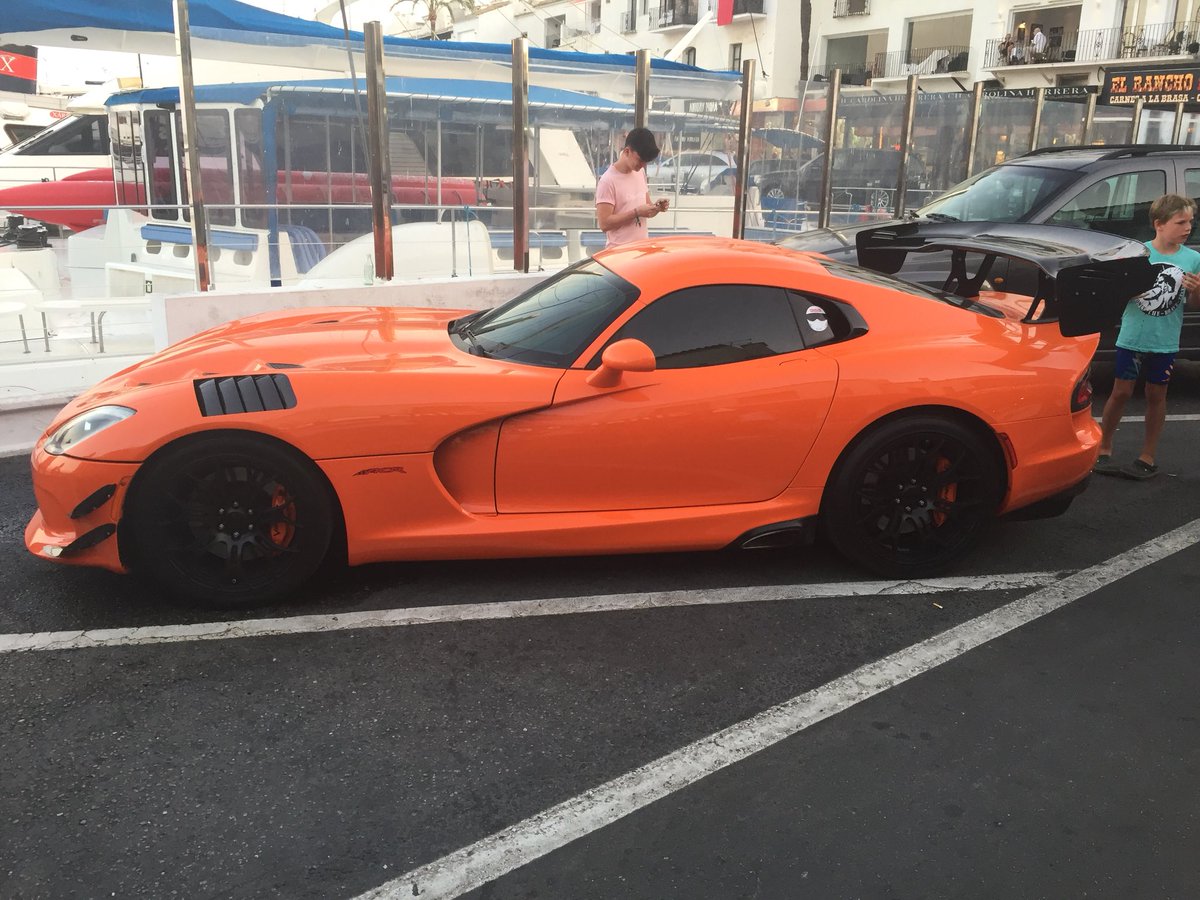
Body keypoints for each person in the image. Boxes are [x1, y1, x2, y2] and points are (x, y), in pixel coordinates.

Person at [1094, 193, 1200, 479]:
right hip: (1132, 336)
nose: (1188, 227)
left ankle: (1148, 454)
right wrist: (1132, 289)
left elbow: (1195, 306)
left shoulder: (1193, 259)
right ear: (1159, 224)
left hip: (1164, 341)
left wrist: (1196, 290)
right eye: (1181, 222)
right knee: (1121, 392)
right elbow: (1116, 294)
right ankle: (1104, 446)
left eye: (1190, 221)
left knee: (1157, 395)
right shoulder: (1138, 254)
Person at [596, 127, 669, 248]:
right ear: (627, 151)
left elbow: (647, 211)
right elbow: (604, 224)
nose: (642, 165)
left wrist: (657, 207)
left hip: (641, 249)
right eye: (640, 160)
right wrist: (635, 213)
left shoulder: (640, 173)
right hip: (619, 252)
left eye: (646, 162)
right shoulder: (607, 181)